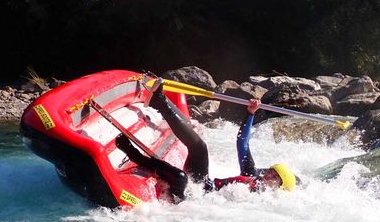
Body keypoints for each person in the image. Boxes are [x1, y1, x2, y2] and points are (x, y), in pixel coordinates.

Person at [115, 79, 299, 202]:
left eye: (275, 178)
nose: (269, 176)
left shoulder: (256, 202)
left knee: (180, 177)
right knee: (200, 147)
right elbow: (242, 143)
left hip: (196, 201)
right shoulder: (251, 174)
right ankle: (159, 102)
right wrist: (250, 114)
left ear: (279, 189)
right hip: (202, 186)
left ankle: (132, 154)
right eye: (271, 172)